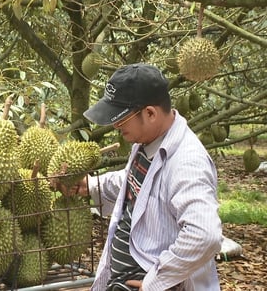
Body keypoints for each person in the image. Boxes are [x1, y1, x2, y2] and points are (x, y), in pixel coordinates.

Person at [80, 63, 222, 290]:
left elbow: (205, 234)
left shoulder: (187, 162)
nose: (116, 125)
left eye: (121, 118)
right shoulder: (148, 143)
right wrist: (91, 186)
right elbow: (136, 185)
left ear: (150, 113)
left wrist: (155, 281)